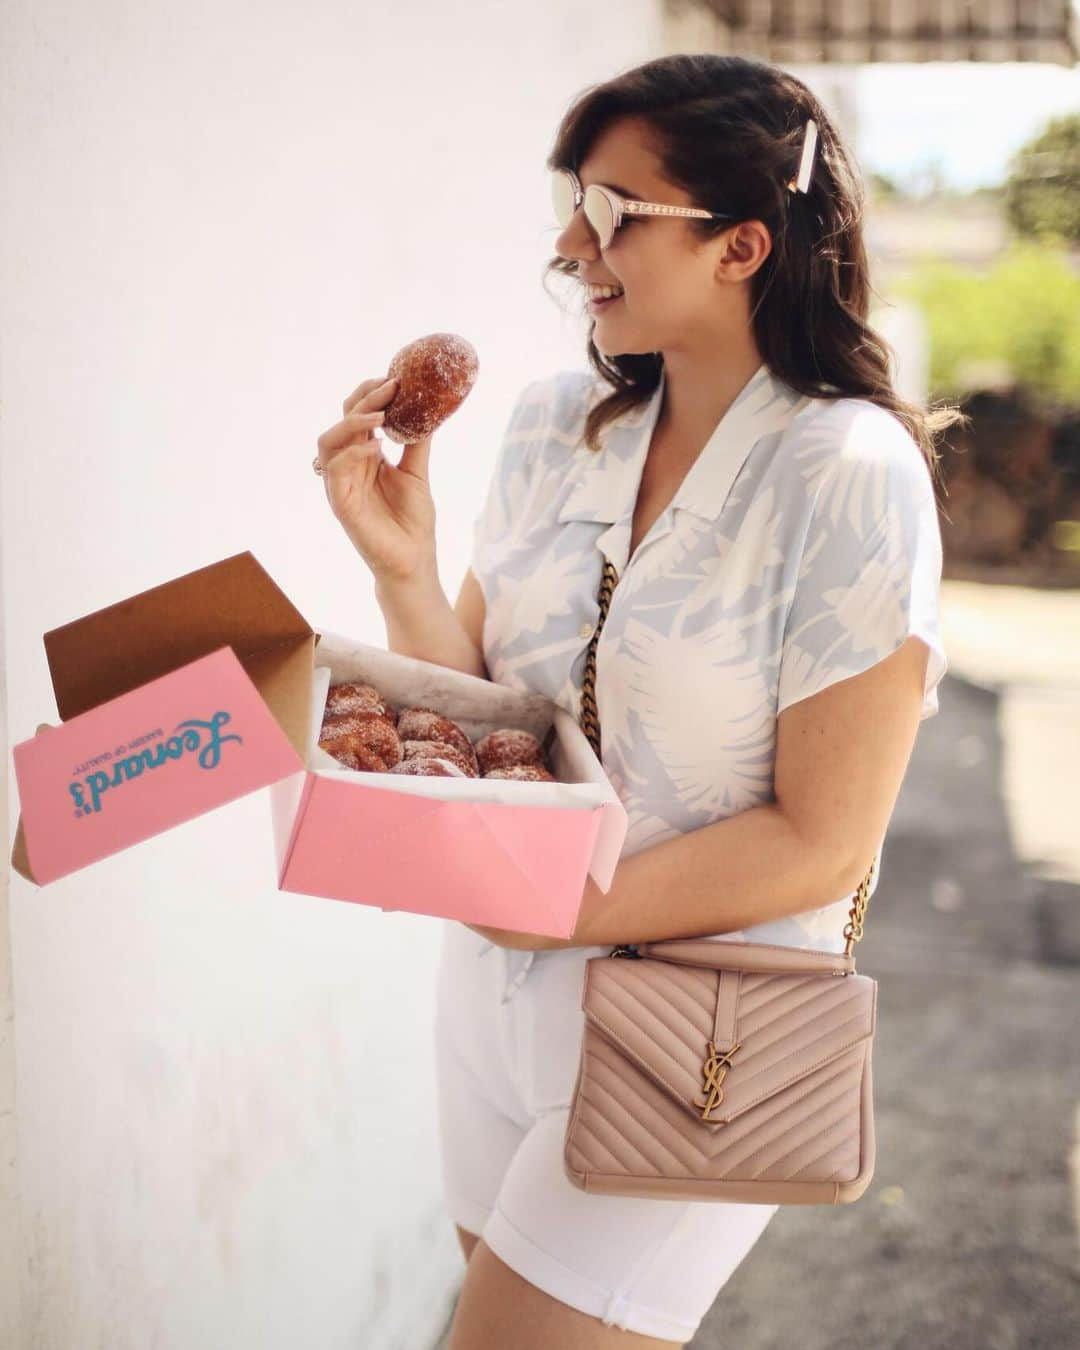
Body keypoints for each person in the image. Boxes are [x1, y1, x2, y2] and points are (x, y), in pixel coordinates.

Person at [313, 51, 961, 1350]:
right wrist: (402, 567)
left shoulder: (848, 471)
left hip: (704, 1028)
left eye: (612, 210)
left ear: (743, 244)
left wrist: (551, 900)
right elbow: (494, 716)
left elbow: (822, 839)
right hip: (494, 994)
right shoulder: (561, 423)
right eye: (573, 199)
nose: (568, 243)